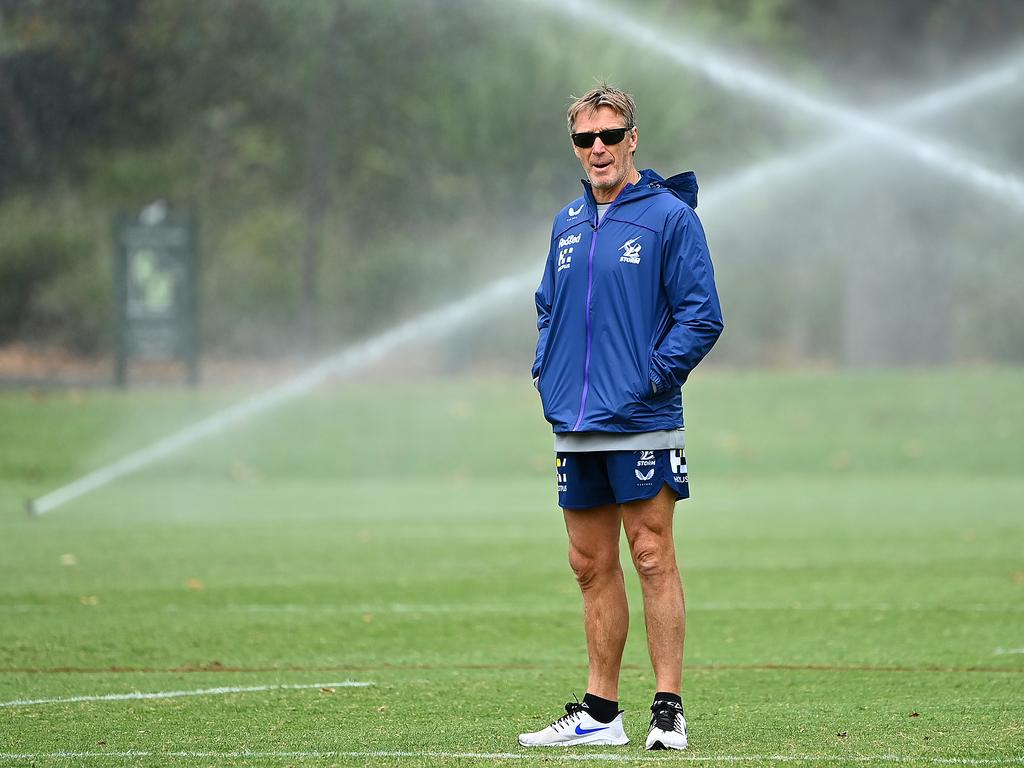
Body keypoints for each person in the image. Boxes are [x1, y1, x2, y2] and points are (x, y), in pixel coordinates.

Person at [518, 84, 723, 751]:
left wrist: (651, 378)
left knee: (652, 553)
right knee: (587, 562)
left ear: (633, 138)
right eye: (586, 139)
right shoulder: (566, 223)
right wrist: (546, 371)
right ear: (575, 145)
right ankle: (601, 713)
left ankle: (669, 708)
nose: (598, 149)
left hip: (642, 416)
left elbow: (702, 315)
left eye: (610, 135)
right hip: (576, 421)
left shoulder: (669, 218)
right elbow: (548, 304)